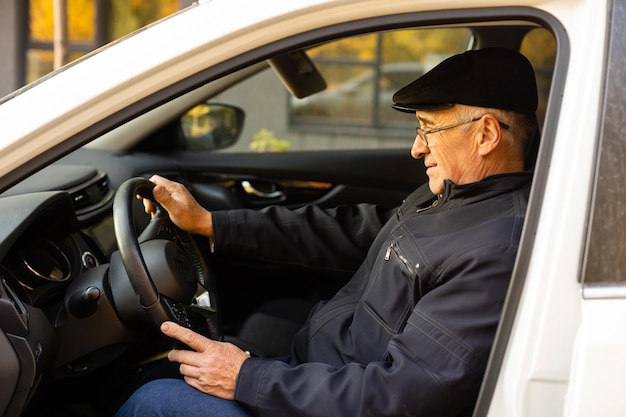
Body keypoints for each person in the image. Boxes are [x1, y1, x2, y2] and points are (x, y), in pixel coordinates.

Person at [115, 47, 539, 417]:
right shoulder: (451, 198)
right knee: (168, 369)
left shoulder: (495, 249)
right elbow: (352, 231)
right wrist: (211, 223)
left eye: (429, 128)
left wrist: (246, 378)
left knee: (156, 402)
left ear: (485, 135)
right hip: (318, 376)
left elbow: (399, 398)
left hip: (338, 402)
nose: (417, 148)